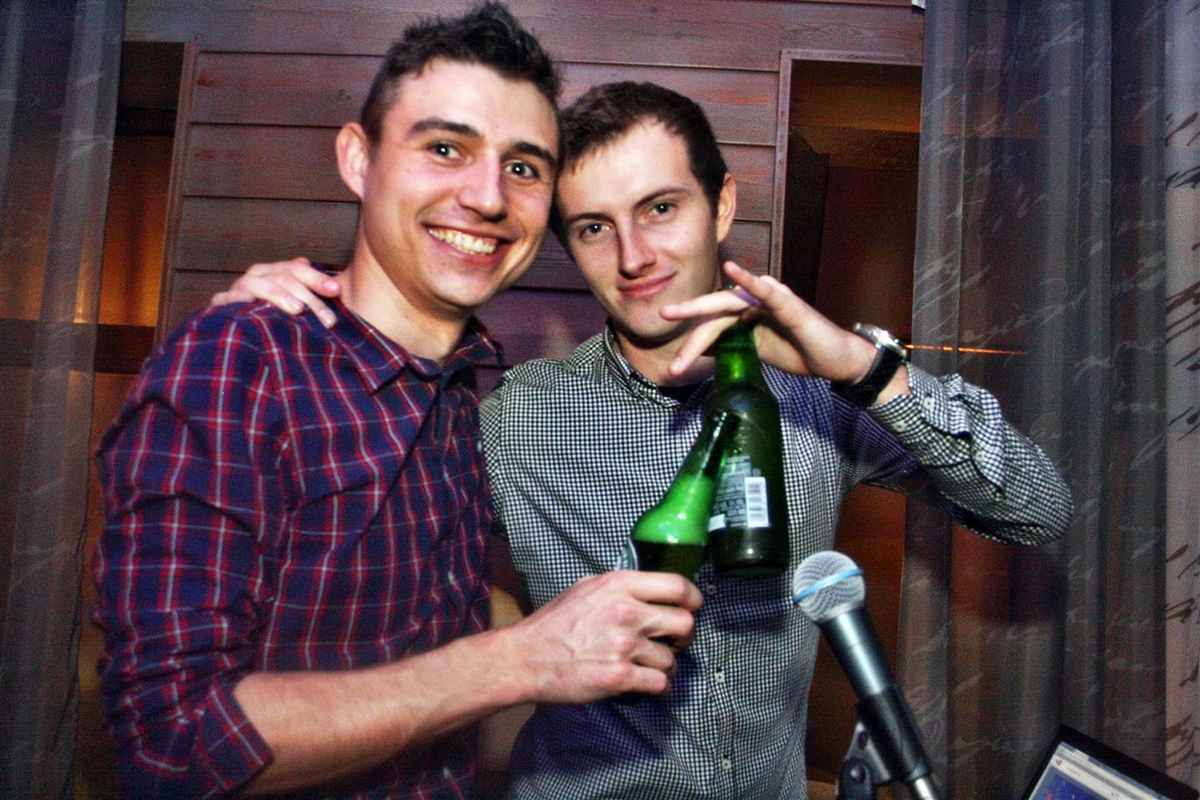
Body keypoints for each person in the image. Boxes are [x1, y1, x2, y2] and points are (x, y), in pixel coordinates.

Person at [218, 82, 1073, 797]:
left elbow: (1037, 509)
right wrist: (263, 347)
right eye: (595, 227)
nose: (634, 257)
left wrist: (863, 367)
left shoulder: (820, 395)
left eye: (660, 208)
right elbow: (331, 560)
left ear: (721, 204)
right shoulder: (517, 418)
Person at [92, 10, 704, 799]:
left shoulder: (456, 391)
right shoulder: (240, 363)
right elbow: (169, 745)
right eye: (445, 148)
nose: (487, 196)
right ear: (359, 158)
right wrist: (521, 659)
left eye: (523, 167)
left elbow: (416, 653)